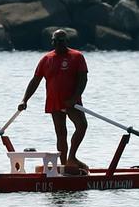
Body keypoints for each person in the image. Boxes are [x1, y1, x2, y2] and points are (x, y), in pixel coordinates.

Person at [17, 29, 88, 171]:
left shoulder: (77, 56)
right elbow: (35, 81)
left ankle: (72, 157)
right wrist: (24, 100)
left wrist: (74, 98)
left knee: (82, 126)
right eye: (55, 41)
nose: (58, 44)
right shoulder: (46, 59)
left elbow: (83, 79)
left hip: (71, 102)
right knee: (61, 134)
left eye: (61, 41)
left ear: (66, 41)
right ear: (52, 42)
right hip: (54, 101)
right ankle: (64, 165)